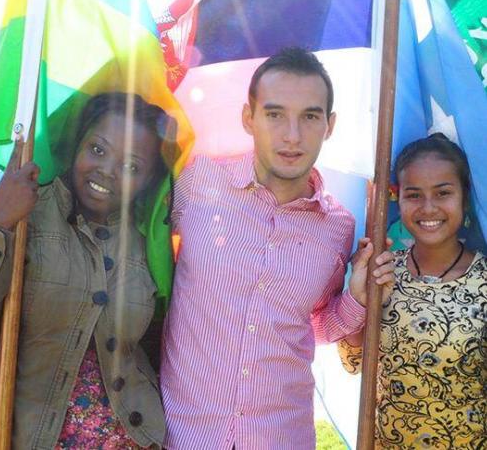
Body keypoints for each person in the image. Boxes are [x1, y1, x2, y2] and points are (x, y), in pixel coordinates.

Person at [160, 47, 395, 449]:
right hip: (183, 434)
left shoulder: (338, 227)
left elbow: (316, 325)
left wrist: (355, 298)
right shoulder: (196, 184)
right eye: (274, 114)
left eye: (309, 116)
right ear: (248, 119)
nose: (292, 135)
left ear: (329, 125)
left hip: (281, 438)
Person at [0, 93, 171, 449]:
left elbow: (154, 347)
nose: (107, 170)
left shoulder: (147, 243)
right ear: (76, 145)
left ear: (149, 181)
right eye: (98, 150)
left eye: (131, 167)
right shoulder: (23, 211)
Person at [339, 133, 486, 449]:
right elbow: (354, 363)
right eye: (414, 194)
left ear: (464, 197)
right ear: (399, 199)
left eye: (443, 192)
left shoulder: (484, 282)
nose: (428, 208)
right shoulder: (384, 273)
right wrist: (361, 302)